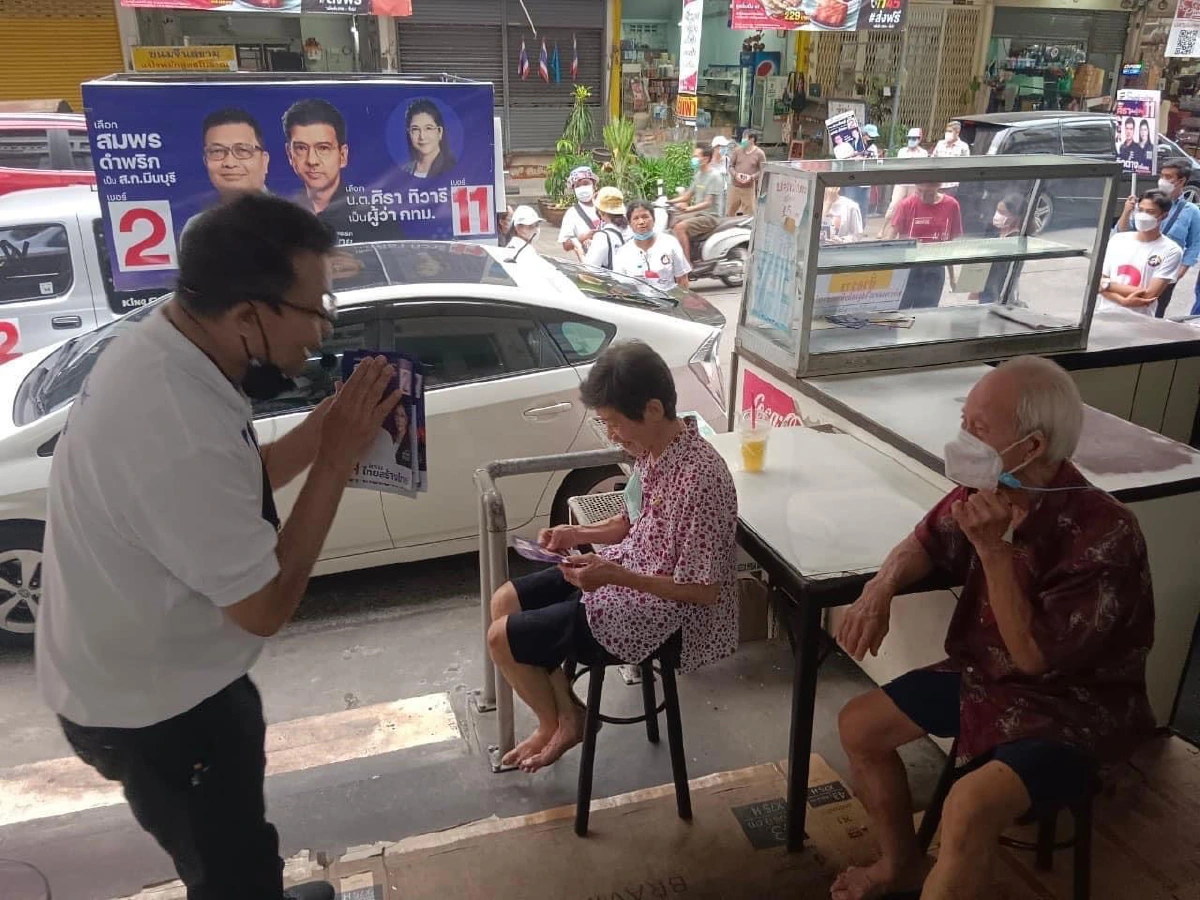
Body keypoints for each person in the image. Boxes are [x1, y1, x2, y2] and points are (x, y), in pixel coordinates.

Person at [37, 194, 402, 900]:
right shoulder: (171, 421)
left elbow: (233, 488)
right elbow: (263, 607)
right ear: (246, 315)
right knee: (230, 866)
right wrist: (334, 466)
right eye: (315, 309)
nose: (322, 332)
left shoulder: (173, 347)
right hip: (155, 711)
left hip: (170, 673)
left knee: (243, 836)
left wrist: (328, 427)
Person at [832, 356, 1155, 900]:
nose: (963, 438)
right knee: (859, 726)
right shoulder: (989, 491)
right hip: (988, 678)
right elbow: (925, 540)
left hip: (1075, 708)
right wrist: (879, 588)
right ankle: (899, 865)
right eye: (965, 420)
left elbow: (1034, 658)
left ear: (1030, 448)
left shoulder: (1106, 533)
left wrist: (994, 552)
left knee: (967, 805)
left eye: (978, 429)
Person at [486, 340, 738, 772]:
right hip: (626, 573)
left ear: (654, 409)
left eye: (614, 423)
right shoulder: (653, 452)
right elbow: (628, 521)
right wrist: (576, 533)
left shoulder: (700, 479)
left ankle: (559, 722)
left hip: (665, 613)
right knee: (504, 601)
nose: (612, 435)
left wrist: (614, 576)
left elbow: (704, 590)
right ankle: (567, 717)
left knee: (501, 638)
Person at [1114, 157, 1200, 318]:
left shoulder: (1191, 212)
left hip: (1165, 271)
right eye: (1162, 175)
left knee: (1154, 314)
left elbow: (1195, 244)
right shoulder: (1147, 202)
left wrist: (1179, 272)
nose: (1163, 180)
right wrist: (1127, 211)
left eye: (1168, 177)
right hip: (1137, 265)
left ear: (1181, 181)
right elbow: (1121, 232)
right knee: (1125, 309)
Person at [181, 108, 271, 249]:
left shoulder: (294, 221)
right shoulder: (196, 228)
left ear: (264, 161)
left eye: (242, 150)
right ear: (206, 162)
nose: (230, 163)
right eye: (217, 151)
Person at [1100, 189, 1183, 316]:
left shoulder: (1171, 251)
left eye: (1150, 212)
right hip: (1104, 315)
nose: (1143, 215)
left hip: (1140, 321)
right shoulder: (1118, 240)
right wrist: (1122, 301)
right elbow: (1098, 283)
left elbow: (1149, 294)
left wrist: (1107, 285)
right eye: (1141, 210)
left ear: (1164, 215)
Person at [882, 181, 963, 308]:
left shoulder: (951, 205)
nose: (923, 197)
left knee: (926, 313)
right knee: (901, 311)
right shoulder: (907, 204)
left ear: (938, 187)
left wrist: (952, 277)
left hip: (935, 267)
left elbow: (949, 244)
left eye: (929, 193)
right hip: (909, 267)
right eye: (919, 191)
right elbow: (890, 237)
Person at [614, 200, 691, 290]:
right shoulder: (623, 253)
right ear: (630, 224)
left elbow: (682, 280)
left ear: (654, 220)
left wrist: (682, 302)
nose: (641, 222)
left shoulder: (670, 243)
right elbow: (620, 287)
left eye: (645, 217)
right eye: (636, 218)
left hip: (667, 302)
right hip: (639, 303)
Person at [670, 144, 724, 261]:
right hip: (699, 213)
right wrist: (668, 201)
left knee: (680, 227)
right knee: (673, 219)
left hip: (710, 216)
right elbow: (687, 196)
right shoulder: (699, 174)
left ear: (705, 159)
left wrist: (689, 209)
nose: (693, 159)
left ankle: (687, 263)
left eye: (696, 156)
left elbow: (708, 203)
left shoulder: (715, 176)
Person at [972, 193, 1026, 306]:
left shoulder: (1016, 238)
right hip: (986, 286)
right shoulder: (993, 230)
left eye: (1002, 213)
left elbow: (1008, 271)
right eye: (997, 211)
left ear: (1014, 216)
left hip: (1000, 289)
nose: (997, 215)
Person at [883, 127, 930, 230]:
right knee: (894, 205)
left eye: (914, 138)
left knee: (911, 207)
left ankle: (906, 230)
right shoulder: (902, 151)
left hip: (915, 184)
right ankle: (883, 229)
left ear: (919, 139)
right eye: (910, 138)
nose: (912, 140)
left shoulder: (923, 153)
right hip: (901, 183)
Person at [401, 98, 457, 179]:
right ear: (409, 133)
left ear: (439, 132)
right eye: (415, 129)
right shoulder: (405, 170)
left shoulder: (452, 167)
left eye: (428, 128)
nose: (422, 136)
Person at [558, 165, 602, 261]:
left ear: (594, 185)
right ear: (573, 189)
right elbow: (565, 245)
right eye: (578, 185)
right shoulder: (571, 214)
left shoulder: (606, 205)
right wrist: (581, 238)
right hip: (590, 265)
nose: (582, 188)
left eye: (586, 183)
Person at [584, 186, 631, 270]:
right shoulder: (632, 229)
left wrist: (579, 251)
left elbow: (589, 269)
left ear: (600, 212)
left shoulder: (602, 237)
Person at [727, 129, 766, 216]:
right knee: (730, 212)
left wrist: (751, 177)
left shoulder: (760, 154)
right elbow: (730, 166)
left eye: (745, 138)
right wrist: (735, 174)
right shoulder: (737, 151)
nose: (742, 140)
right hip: (735, 187)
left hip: (748, 188)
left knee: (748, 214)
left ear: (752, 140)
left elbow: (763, 170)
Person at [931, 121, 970, 196]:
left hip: (952, 184)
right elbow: (933, 159)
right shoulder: (940, 144)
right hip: (937, 182)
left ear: (957, 133)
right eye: (946, 131)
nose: (947, 133)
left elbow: (965, 165)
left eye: (950, 131)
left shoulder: (963, 147)